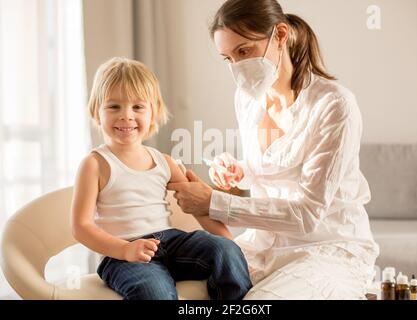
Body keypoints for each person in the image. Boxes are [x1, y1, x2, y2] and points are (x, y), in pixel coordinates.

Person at [167, 0, 379, 299]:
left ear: (280, 35)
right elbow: (275, 176)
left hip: (326, 250)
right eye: (227, 58)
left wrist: (213, 202)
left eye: (244, 51)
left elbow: (307, 214)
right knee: (177, 286)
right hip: (262, 246)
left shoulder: (334, 105)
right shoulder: (247, 99)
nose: (238, 67)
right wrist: (240, 173)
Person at [70, 57, 252, 300]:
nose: (126, 116)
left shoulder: (164, 161)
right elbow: (81, 227)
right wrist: (124, 250)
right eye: (114, 107)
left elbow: (198, 208)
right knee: (154, 292)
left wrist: (231, 244)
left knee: (225, 251)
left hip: (170, 242)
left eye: (137, 107)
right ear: (96, 112)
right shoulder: (95, 164)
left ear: (153, 112)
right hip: (123, 255)